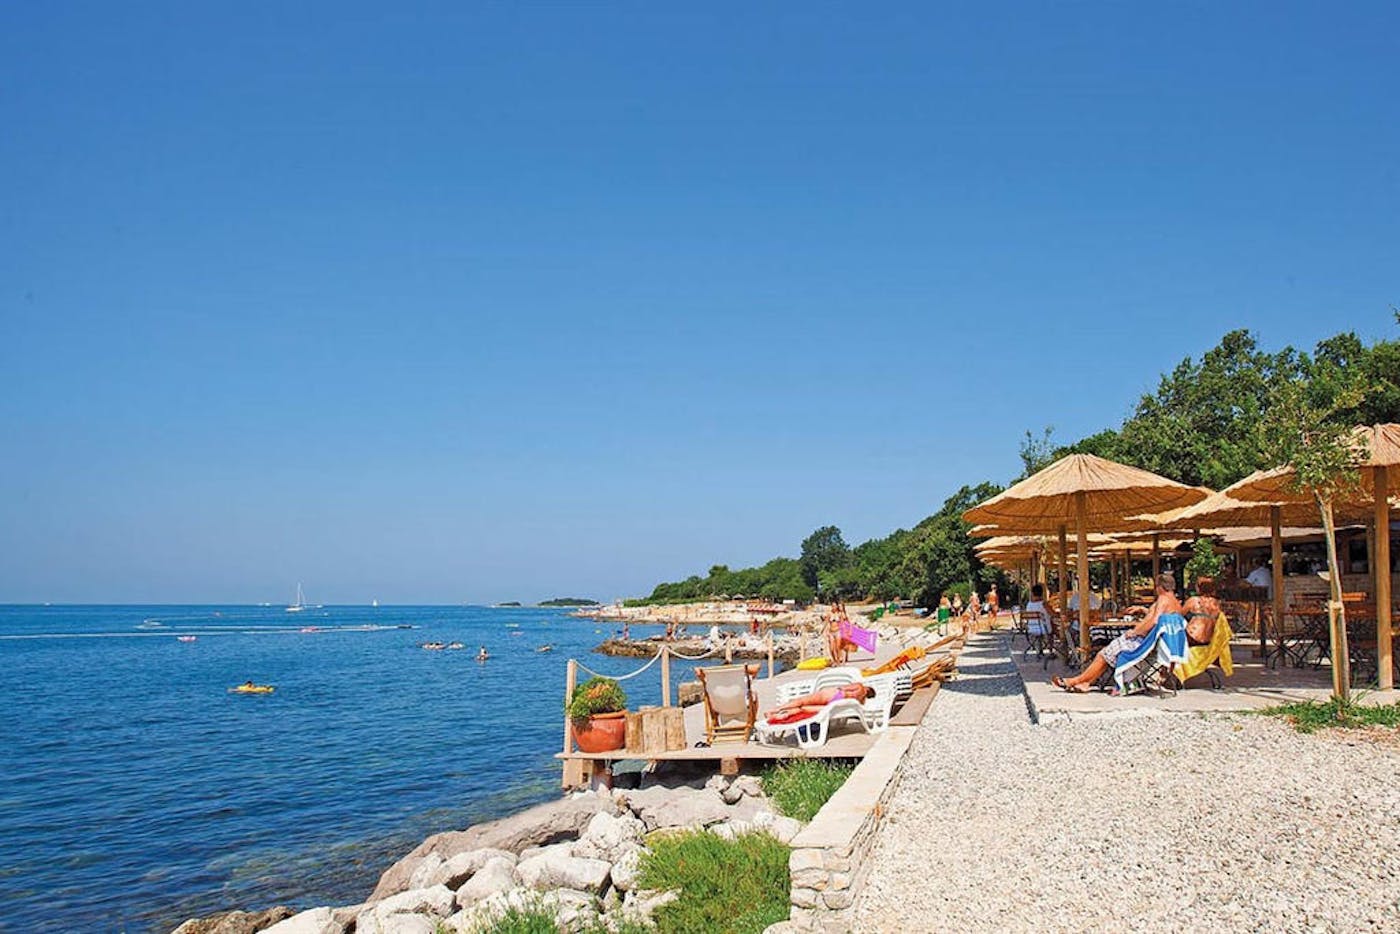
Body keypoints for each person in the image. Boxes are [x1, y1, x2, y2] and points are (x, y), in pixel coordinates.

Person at [1053, 572, 1183, 693]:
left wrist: (1135, 632)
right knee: (1107, 653)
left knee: (1103, 654)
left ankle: (1077, 681)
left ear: (1160, 587)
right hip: (1159, 644)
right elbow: (1161, 618)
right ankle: (1084, 682)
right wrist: (1143, 610)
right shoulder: (1175, 603)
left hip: (1144, 643)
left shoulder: (1163, 599)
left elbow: (1154, 621)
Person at [764, 682, 873, 721]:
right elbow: (861, 706)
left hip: (836, 694)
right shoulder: (860, 699)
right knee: (803, 709)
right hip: (836, 704)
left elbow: (844, 688)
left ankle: (775, 710)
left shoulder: (860, 686)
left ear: (867, 688)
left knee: (802, 701)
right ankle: (778, 715)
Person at [1181, 576, 1222, 647]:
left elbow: (1179, 615)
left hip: (1192, 636)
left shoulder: (1193, 600)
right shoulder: (1216, 603)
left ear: (1198, 588)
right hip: (1208, 638)